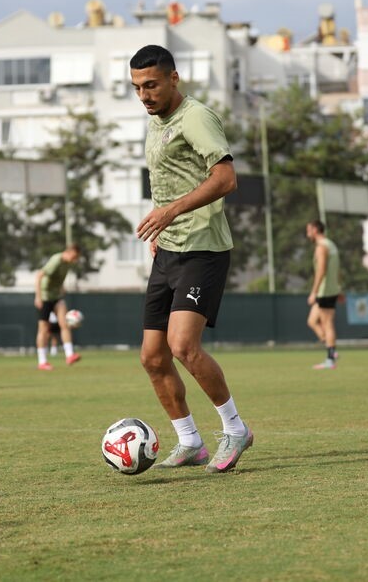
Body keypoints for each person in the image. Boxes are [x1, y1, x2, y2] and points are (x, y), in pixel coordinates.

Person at [130, 44, 252, 474]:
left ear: (173, 78)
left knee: (183, 346)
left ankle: (235, 429)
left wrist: (169, 212)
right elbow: (171, 179)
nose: (144, 95)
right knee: (152, 356)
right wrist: (162, 225)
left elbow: (226, 178)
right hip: (169, 250)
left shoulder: (195, 117)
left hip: (203, 247)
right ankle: (189, 442)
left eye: (151, 85)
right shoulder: (155, 122)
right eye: (137, 87)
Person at [34, 245, 82, 371]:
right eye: (74, 256)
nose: (75, 260)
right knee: (43, 329)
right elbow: (39, 275)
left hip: (56, 296)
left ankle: (70, 355)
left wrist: (61, 288)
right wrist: (38, 297)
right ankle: (42, 361)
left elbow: (57, 279)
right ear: (69, 252)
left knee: (64, 324)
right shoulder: (56, 260)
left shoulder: (67, 264)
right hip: (45, 297)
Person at [306, 220, 342, 370]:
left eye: (308, 229)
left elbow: (321, 270)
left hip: (325, 290)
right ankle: (332, 350)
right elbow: (337, 269)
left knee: (327, 323)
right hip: (331, 289)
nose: (307, 233)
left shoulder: (322, 247)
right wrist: (339, 288)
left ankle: (330, 359)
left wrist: (314, 292)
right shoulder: (330, 244)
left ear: (315, 230)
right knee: (312, 321)